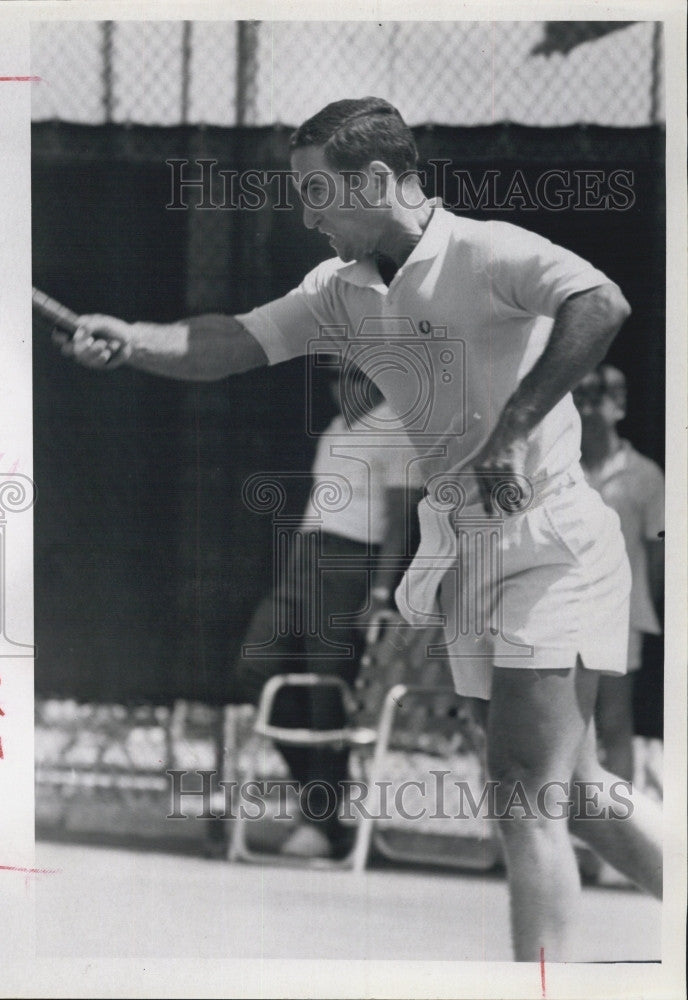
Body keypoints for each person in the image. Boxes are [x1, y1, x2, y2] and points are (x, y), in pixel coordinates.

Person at [54, 97, 662, 962]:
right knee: (577, 790)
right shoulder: (338, 293)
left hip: (553, 538)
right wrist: (136, 338)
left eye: (318, 194)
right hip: (472, 552)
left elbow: (600, 301)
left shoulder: (486, 250)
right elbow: (230, 340)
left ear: (378, 180)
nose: (307, 216)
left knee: (524, 796)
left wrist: (517, 425)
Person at [235, 371, 424, 860]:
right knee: (257, 669)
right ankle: (322, 803)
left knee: (327, 694)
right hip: (305, 556)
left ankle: (320, 823)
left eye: (354, 374)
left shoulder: (400, 428)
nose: (342, 386)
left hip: (354, 567)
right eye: (334, 376)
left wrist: (381, 594)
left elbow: (402, 521)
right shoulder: (336, 427)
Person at [575, 365, 665, 781]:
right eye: (579, 399)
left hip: (619, 619)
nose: (587, 409)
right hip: (559, 618)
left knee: (613, 724)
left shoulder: (647, 476)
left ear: (619, 405)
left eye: (597, 399)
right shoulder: (560, 472)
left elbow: (660, 556)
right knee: (565, 730)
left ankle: (620, 833)